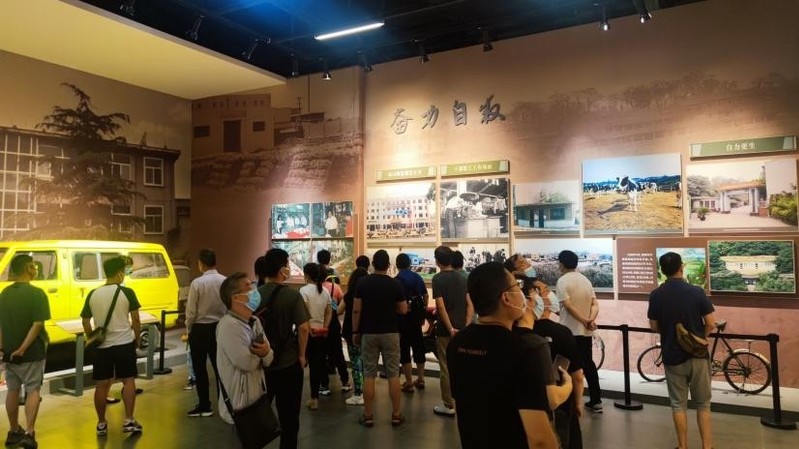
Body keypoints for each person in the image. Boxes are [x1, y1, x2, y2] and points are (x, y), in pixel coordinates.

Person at [448, 262, 558, 449]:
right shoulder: (523, 350)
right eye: (517, 286)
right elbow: (540, 439)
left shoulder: (457, 343)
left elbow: (461, 407)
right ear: (506, 298)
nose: (521, 293)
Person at [648, 252, 715, 449]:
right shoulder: (696, 292)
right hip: (698, 355)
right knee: (703, 403)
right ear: (681, 267)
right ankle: (707, 446)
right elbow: (710, 323)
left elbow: (654, 326)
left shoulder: (656, 294)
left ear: (662, 270)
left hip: (672, 354)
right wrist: (699, 338)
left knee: (678, 404)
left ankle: (682, 446)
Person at [80, 256, 143, 436]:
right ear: (119, 273)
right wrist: (137, 339)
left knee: (101, 385)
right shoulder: (127, 292)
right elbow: (136, 319)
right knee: (128, 380)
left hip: (102, 348)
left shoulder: (93, 294)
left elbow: (85, 321)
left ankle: (101, 423)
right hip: (124, 343)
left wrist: (92, 337)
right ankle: (129, 420)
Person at [256, 248, 310, 449]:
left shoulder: (255, 295)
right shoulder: (292, 295)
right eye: (287, 264)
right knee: (289, 418)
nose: (289, 268)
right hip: (288, 363)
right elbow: (303, 328)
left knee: (258, 414)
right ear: (281, 270)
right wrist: (302, 355)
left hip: (261, 364)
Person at [524, 275, 585, 449]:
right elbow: (577, 375)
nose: (550, 294)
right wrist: (578, 402)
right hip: (560, 400)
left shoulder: (519, 333)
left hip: (528, 405)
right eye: (545, 291)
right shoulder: (562, 332)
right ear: (533, 298)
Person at [352, 250, 407, 427]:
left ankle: (368, 415)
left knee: (369, 374)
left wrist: (355, 331)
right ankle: (396, 414)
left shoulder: (362, 283)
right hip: (390, 332)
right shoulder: (395, 284)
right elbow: (403, 309)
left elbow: (356, 310)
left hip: (368, 333)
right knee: (393, 374)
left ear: (373, 264)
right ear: (388, 265)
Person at [0, 255, 50, 449]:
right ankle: (29, 433)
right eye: (34, 266)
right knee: (33, 390)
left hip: (9, 353)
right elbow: (37, 325)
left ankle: (13, 431)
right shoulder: (37, 294)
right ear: (28, 268)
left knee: (12, 390)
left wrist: (3, 348)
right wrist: (22, 349)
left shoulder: (4, 294)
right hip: (31, 353)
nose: (36, 269)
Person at [216, 272, 274, 429]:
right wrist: (263, 354)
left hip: (256, 398)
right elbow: (246, 363)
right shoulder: (229, 326)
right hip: (238, 403)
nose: (254, 291)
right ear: (235, 298)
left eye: (252, 285)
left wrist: (264, 353)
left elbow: (269, 358)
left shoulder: (254, 321)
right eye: (248, 287)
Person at [556, 250, 602, 414]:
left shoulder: (562, 281)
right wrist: (590, 320)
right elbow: (595, 304)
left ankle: (567, 401)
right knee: (588, 365)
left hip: (568, 332)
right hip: (585, 332)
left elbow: (568, 306)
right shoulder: (585, 280)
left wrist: (584, 320)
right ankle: (596, 401)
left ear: (562, 264)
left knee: (565, 367)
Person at [431, 245, 472, 417]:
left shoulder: (438, 279)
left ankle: (448, 404)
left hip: (445, 331)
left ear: (438, 261)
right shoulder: (463, 278)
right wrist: (466, 327)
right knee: (463, 366)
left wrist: (450, 329)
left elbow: (440, 307)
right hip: (463, 328)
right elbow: (470, 304)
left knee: (446, 367)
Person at [185, 249, 226, 417]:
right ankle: (225, 404)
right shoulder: (225, 281)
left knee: (200, 368)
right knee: (220, 368)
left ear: (201, 263)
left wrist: (189, 329)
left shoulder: (197, 283)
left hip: (200, 330)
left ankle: (204, 405)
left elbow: (191, 311)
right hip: (219, 328)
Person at [316, 249, 350, 395]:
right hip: (333, 322)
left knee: (320, 355)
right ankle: (345, 382)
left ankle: (324, 385)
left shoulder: (313, 288)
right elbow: (342, 300)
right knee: (338, 353)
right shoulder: (334, 285)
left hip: (318, 323)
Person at [298, 263, 332, 411]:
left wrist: (308, 327)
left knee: (301, 363)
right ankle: (314, 398)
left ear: (307, 276)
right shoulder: (325, 291)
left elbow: (303, 312)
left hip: (308, 332)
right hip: (320, 333)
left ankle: (298, 398)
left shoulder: (303, 290)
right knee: (316, 366)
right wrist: (324, 327)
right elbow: (329, 311)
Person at [394, 253, 428, 392]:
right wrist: (423, 312)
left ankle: (408, 382)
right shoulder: (417, 277)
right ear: (409, 264)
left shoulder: (396, 280)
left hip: (402, 319)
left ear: (397, 265)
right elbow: (425, 295)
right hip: (416, 318)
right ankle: (421, 379)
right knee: (418, 346)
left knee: (404, 348)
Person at [339, 257, 370, 406]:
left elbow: (339, 310)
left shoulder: (349, 295)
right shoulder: (370, 295)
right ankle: (368, 391)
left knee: (356, 363)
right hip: (367, 331)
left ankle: (358, 393)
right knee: (366, 363)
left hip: (351, 331)